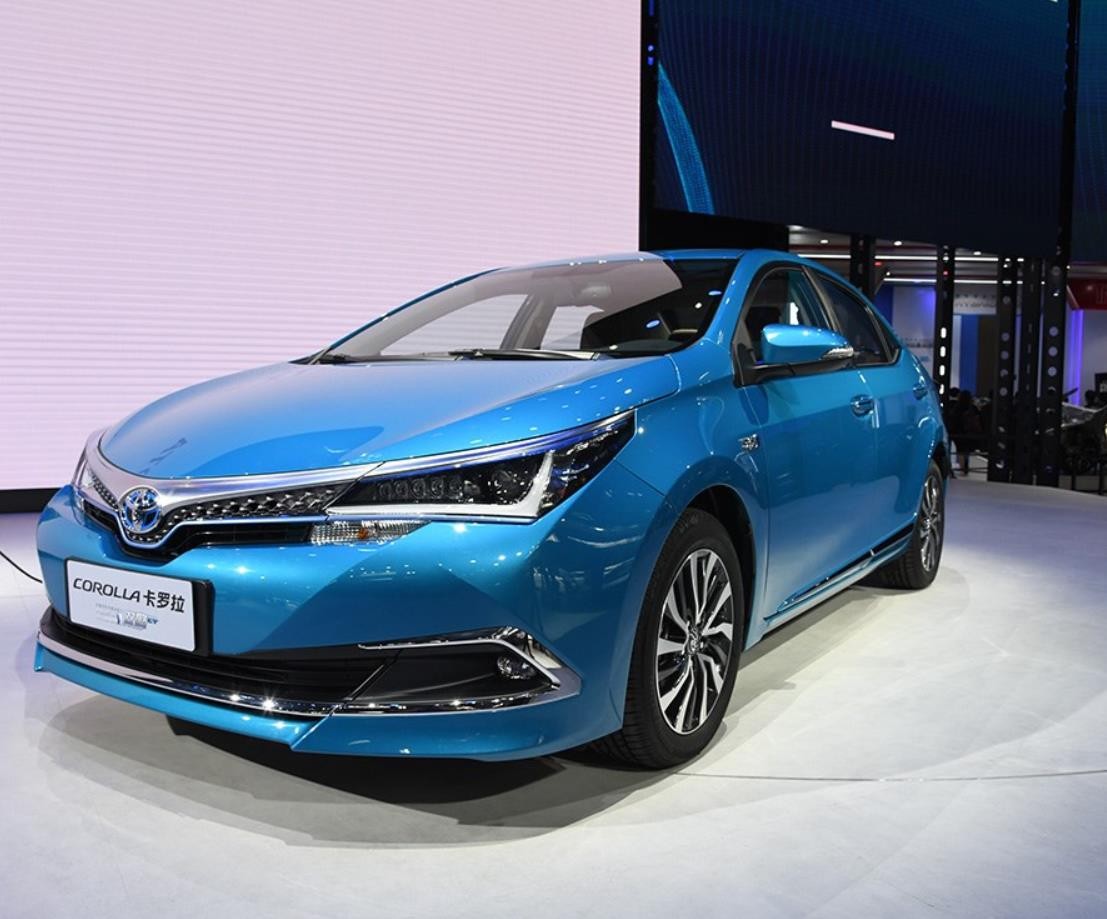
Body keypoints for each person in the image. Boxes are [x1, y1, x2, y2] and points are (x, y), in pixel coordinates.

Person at [947, 389, 983, 474]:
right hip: (969, 432)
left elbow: (953, 419)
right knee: (966, 450)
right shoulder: (973, 408)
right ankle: (966, 466)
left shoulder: (957, 407)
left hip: (958, 432)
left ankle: (962, 467)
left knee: (960, 450)